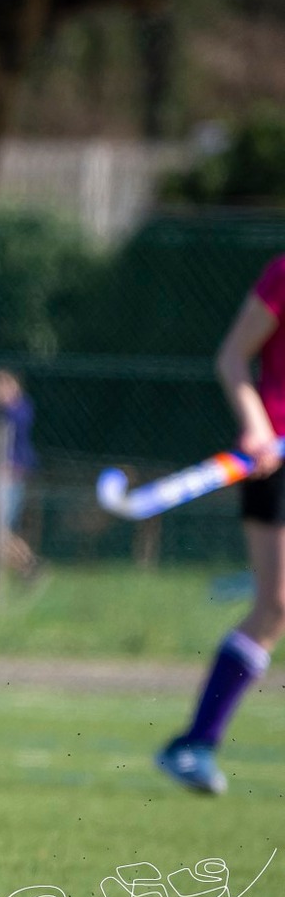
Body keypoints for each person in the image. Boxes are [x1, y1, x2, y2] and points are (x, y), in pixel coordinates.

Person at [155, 258, 285, 795]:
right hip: (273, 457)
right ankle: (195, 744)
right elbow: (233, 357)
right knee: (276, 603)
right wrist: (257, 427)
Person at [0, 368, 39, 579]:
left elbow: (17, 422)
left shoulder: (20, 409)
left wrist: (2, 401)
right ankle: (27, 565)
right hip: (0, 473)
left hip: (12, 474)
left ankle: (30, 565)